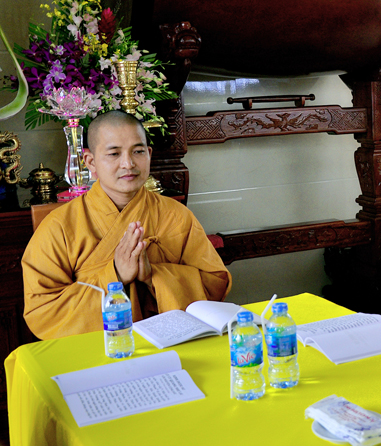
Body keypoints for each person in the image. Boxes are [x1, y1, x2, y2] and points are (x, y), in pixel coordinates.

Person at [23, 111, 231, 339]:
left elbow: (214, 284)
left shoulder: (176, 215)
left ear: (149, 154)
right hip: (97, 349)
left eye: (138, 151)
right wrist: (115, 275)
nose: (128, 163)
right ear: (90, 162)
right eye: (114, 153)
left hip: (172, 343)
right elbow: (43, 311)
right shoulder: (59, 226)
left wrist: (154, 276)